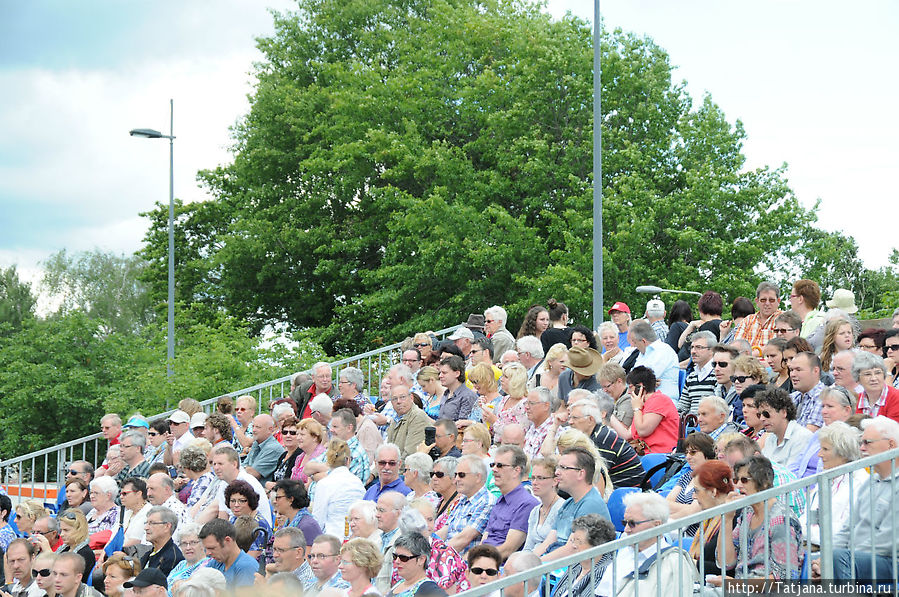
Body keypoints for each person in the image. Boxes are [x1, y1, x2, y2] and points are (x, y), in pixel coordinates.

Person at [818, 416, 899, 587]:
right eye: (861, 443)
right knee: (813, 559)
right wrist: (826, 556)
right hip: (858, 558)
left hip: (889, 562)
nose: (861, 448)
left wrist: (844, 556)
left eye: (868, 443)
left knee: (837, 558)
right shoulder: (871, 482)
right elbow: (847, 528)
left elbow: (888, 541)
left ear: (891, 444)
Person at [711, 456, 802, 584]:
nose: (738, 485)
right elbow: (726, 563)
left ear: (764, 482)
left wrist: (735, 585)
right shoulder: (747, 513)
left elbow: (783, 579)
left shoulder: (782, 521)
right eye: (736, 480)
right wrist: (727, 518)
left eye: (744, 480)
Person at [798, 421, 867, 547]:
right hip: (811, 545)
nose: (819, 454)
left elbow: (842, 533)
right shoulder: (824, 479)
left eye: (825, 449)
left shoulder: (859, 482)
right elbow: (805, 519)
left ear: (843, 452)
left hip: (836, 552)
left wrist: (807, 533)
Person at [543, 447, 611, 558]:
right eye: (558, 467)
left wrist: (534, 567)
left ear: (581, 473)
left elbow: (571, 549)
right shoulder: (568, 503)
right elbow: (548, 543)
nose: (557, 472)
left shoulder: (591, 504)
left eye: (563, 468)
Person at [568, 399, 643, 487]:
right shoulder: (596, 435)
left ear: (590, 419)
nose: (570, 422)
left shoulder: (602, 438)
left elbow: (596, 476)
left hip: (628, 491)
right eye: (570, 417)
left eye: (575, 418)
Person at [480, 445, 538, 558]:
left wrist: (478, 560)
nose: (494, 469)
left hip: (497, 567)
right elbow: (485, 538)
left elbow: (508, 549)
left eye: (500, 465)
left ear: (516, 471)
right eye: (493, 465)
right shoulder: (500, 499)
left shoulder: (527, 504)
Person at [610, 366, 679, 454]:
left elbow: (643, 431)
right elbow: (627, 435)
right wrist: (608, 414)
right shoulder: (642, 404)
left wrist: (636, 409)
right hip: (643, 453)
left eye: (630, 387)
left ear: (640, 387)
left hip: (660, 456)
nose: (628, 392)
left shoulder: (659, 400)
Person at [435, 455, 495, 554]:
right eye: (455, 475)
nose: (456, 479)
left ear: (478, 477)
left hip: (460, 561)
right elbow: (444, 531)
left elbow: (464, 538)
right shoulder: (461, 499)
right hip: (446, 554)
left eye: (461, 475)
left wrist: (436, 555)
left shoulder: (487, 502)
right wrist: (426, 546)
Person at [684, 460, 733, 578]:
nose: (693, 496)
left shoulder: (733, 518)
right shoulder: (710, 518)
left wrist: (689, 563)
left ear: (713, 491)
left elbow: (726, 569)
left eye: (696, 491)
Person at [312, 439, 366, 539]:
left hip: (332, 538)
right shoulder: (358, 483)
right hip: (354, 537)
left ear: (328, 461)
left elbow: (318, 520)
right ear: (348, 460)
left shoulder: (324, 484)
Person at [552, 515, 617, 597]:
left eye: (578, 541)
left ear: (596, 545)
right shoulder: (576, 565)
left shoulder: (604, 571)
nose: (573, 546)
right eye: (573, 540)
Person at [757, 388, 814, 475]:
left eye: (766, 414)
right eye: (759, 415)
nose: (762, 419)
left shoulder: (802, 437)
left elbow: (791, 476)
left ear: (784, 412)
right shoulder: (770, 439)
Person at [199, 519, 258, 589]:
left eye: (212, 548)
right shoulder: (216, 562)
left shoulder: (246, 566)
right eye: (206, 549)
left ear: (228, 540)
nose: (208, 553)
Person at [223, 480, 271, 560]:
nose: (236, 505)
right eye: (233, 501)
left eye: (241, 501)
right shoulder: (234, 519)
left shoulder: (259, 524)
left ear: (250, 501)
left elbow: (252, 557)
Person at [524, 457, 563, 555]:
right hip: (531, 560)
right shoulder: (535, 511)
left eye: (540, 478)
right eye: (533, 478)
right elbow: (528, 547)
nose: (534, 483)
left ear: (555, 481)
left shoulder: (562, 508)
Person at [386, 533, 444, 597]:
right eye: (395, 556)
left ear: (421, 560)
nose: (397, 561)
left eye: (403, 558)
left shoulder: (429, 589)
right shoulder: (399, 584)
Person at [482, 363, 528, 440]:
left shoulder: (524, 405)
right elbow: (493, 430)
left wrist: (494, 421)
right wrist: (486, 414)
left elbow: (518, 434)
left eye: (505, 377)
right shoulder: (504, 399)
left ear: (516, 381)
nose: (501, 379)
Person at [387, 384, 434, 459]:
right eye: (394, 399)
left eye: (402, 397)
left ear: (411, 398)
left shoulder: (418, 416)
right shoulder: (395, 419)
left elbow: (410, 454)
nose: (398, 401)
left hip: (408, 468)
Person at [733, 281, 783, 350]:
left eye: (771, 300)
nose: (767, 303)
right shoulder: (747, 320)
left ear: (778, 301)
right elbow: (736, 346)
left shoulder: (784, 320)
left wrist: (754, 354)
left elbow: (780, 347)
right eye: (763, 300)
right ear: (757, 301)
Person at [678, 331, 718, 416]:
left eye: (698, 347)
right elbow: (682, 407)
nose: (693, 351)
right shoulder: (691, 377)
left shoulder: (718, 374)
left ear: (712, 350)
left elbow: (718, 407)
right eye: (692, 347)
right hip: (691, 424)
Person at [853, 351, 899, 423]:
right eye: (867, 374)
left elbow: (893, 430)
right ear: (858, 379)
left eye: (878, 373)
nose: (874, 378)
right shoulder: (856, 399)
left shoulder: (896, 397)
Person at [139, 506, 184, 575]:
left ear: (167, 526)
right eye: (146, 523)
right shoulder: (149, 554)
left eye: (152, 523)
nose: (146, 528)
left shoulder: (172, 558)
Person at [164, 521, 210, 589]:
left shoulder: (208, 565)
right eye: (184, 543)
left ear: (202, 544)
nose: (188, 548)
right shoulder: (181, 564)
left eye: (193, 542)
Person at [55, 510, 95, 584]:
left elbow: (69, 579)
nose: (62, 534)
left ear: (79, 530)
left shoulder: (85, 553)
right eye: (61, 530)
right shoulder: (65, 548)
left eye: (66, 530)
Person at [788, 351, 825, 431]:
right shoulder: (792, 397)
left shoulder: (824, 397)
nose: (793, 374)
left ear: (815, 371)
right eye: (791, 370)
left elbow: (808, 436)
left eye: (798, 370)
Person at [244, 414, 286, 484]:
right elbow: (244, 465)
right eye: (253, 426)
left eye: (258, 427)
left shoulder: (273, 449)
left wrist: (244, 469)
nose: (253, 430)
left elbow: (253, 474)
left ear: (270, 429)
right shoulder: (257, 443)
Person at [291, 419, 327, 485]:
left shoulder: (322, 456)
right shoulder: (300, 457)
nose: (298, 438)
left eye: (302, 434)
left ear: (315, 437)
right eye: (297, 434)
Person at [523, 387, 555, 460]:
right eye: (526, 403)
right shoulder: (532, 426)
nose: (526, 407)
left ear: (546, 406)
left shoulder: (553, 431)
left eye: (531, 403)